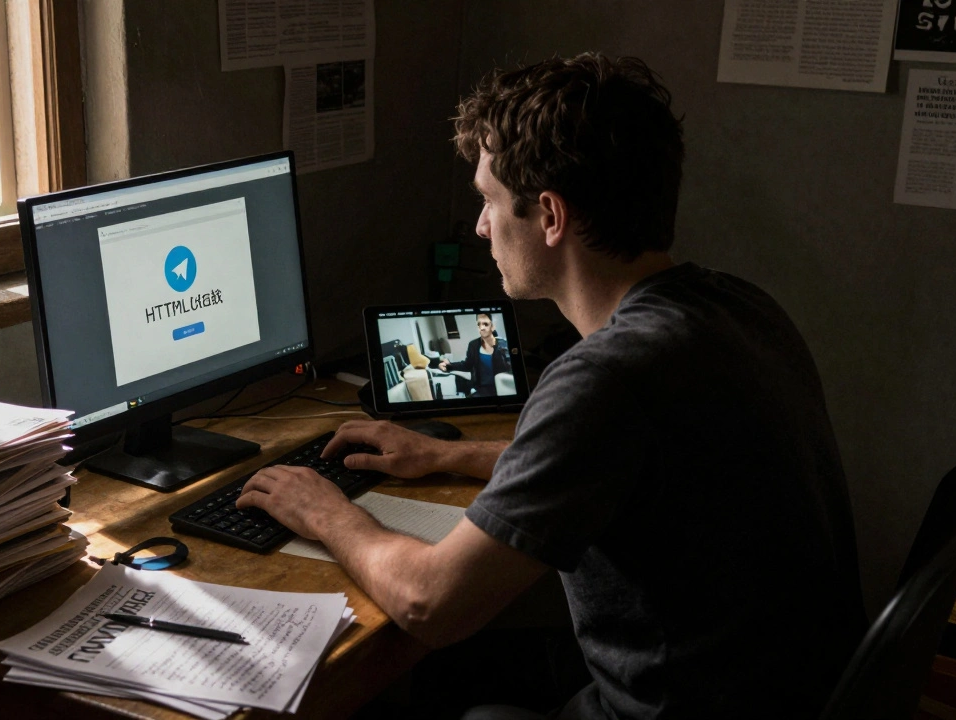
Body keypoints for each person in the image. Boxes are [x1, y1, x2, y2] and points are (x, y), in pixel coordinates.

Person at [237, 53, 865, 720]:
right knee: (457, 675)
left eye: (486, 200)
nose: (481, 227)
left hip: (677, 705)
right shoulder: (737, 307)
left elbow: (431, 603)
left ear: (550, 216)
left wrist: (326, 512)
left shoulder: (606, 378)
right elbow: (629, 467)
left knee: (441, 667)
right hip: (776, 690)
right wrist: (448, 455)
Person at [437, 313, 513, 397]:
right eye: (479, 324)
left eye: (485, 324)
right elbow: (467, 365)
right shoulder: (473, 345)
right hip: (482, 390)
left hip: (502, 389)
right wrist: (448, 366)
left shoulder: (504, 344)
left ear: (492, 326)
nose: (481, 328)